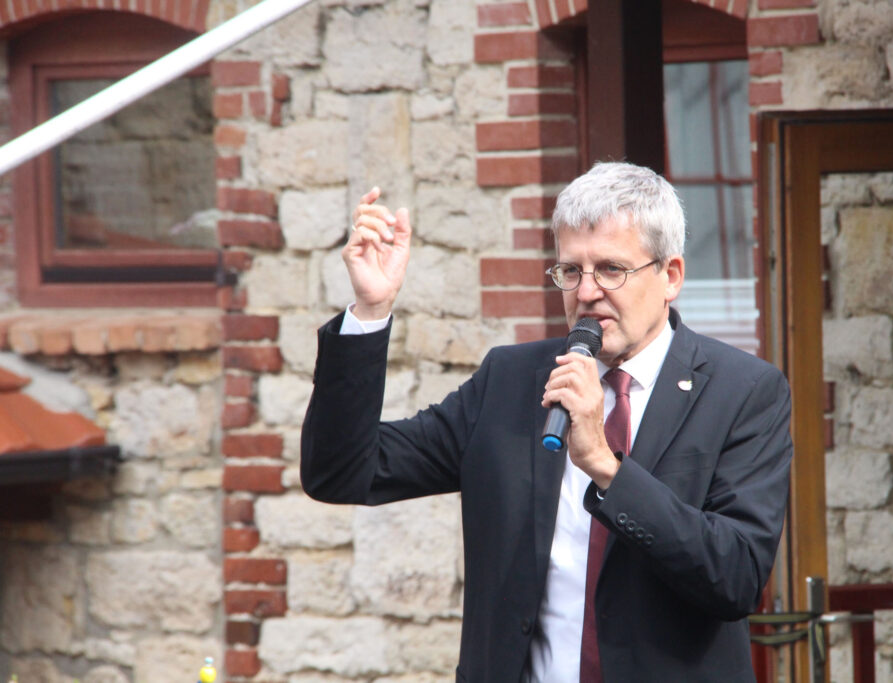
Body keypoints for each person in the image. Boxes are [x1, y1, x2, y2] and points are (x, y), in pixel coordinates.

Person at [301, 162, 793, 682]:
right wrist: (370, 312)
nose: (586, 292)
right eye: (571, 271)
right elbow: (343, 471)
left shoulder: (743, 391)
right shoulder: (512, 381)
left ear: (670, 276)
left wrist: (606, 467)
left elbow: (736, 577)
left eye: (610, 270)